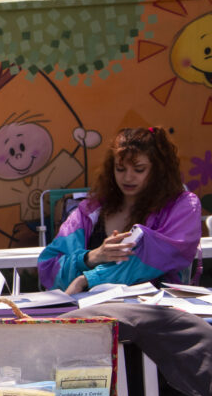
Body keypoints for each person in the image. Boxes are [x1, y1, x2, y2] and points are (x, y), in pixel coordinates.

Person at [39, 126, 201, 294]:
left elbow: (155, 258)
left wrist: (88, 279)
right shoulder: (89, 210)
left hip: (154, 314)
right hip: (91, 313)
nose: (127, 177)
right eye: (120, 169)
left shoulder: (183, 206)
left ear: (159, 170)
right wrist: (91, 257)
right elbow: (49, 265)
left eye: (139, 169)